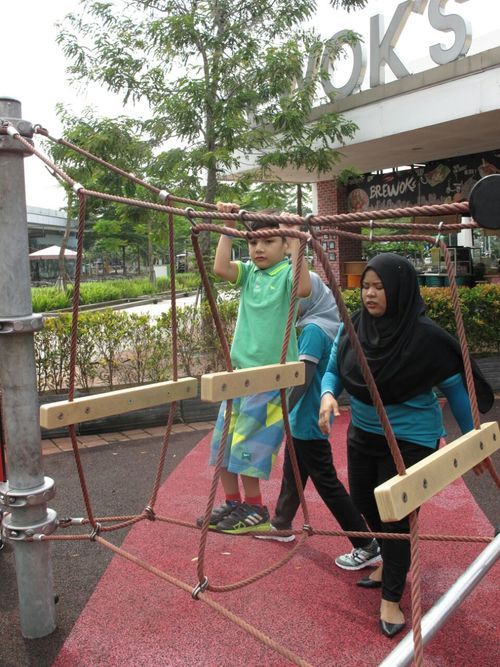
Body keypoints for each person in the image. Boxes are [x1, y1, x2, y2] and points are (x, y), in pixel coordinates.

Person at [319, 253, 493, 638]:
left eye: (379, 287)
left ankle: (392, 597)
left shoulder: (425, 338)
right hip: (364, 432)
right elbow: (333, 369)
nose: (369, 294)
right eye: (366, 286)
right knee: (363, 500)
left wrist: (473, 441)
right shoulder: (354, 326)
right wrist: (328, 394)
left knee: (395, 516)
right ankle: (391, 562)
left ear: (399, 290)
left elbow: (456, 389)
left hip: (410, 439)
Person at [198, 204, 311, 534]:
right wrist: (226, 226)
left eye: (268, 241)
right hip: (240, 376)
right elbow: (220, 268)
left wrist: (296, 240)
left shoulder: (287, 273)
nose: (259, 248)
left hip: (270, 377)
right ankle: (233, 502)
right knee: (223, 445)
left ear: (284, 246)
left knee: (248, 445)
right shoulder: (249, 274)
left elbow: (304, 289)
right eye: (252, 242)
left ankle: (256, 507)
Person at [256, 272, 381, 568]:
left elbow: (303, 378)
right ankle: (282, 522)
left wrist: (278, 413)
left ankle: (366, 542)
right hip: (305, 417)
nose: (289, 305)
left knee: (327, 483)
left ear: (310, 298)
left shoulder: (313, 329)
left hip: (308, 418)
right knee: (294, 472)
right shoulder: (326, 324)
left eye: (294, 298)